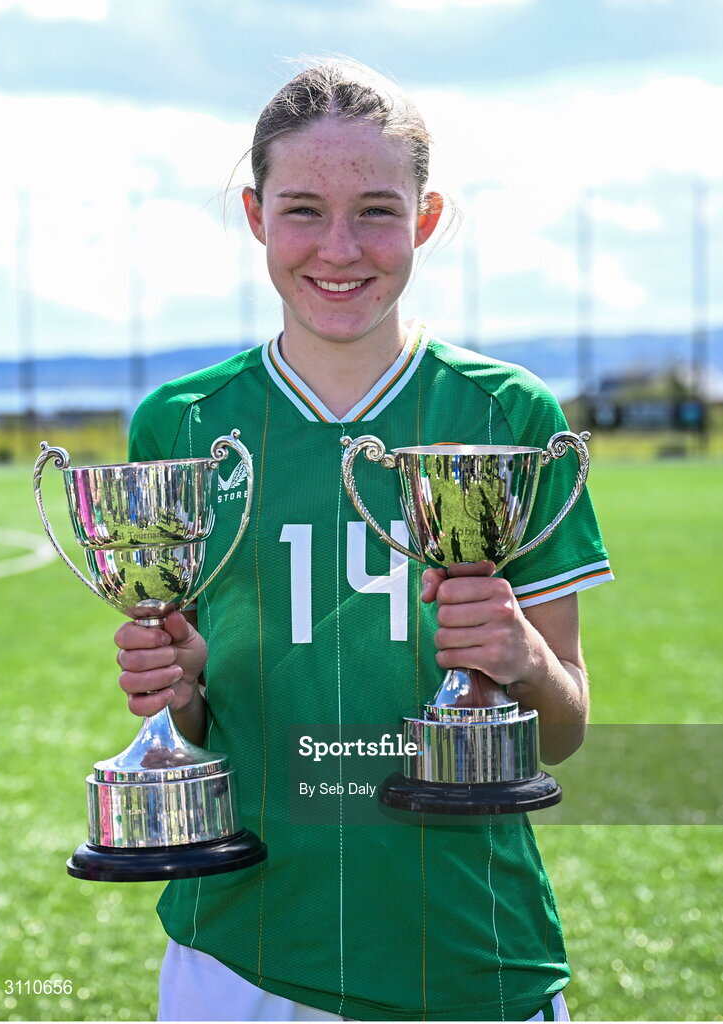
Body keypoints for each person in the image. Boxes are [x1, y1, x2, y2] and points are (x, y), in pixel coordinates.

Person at [114, 60, 613, 1022]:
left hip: (467, 948)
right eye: (303, 209)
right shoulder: (179, 424)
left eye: (377, 211)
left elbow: (564, 728)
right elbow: (188, 729)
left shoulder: (508, 414)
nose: (339, 248)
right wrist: (177, 692)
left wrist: (521, 658)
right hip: (244, 952)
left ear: (424, 220)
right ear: (256, 215)